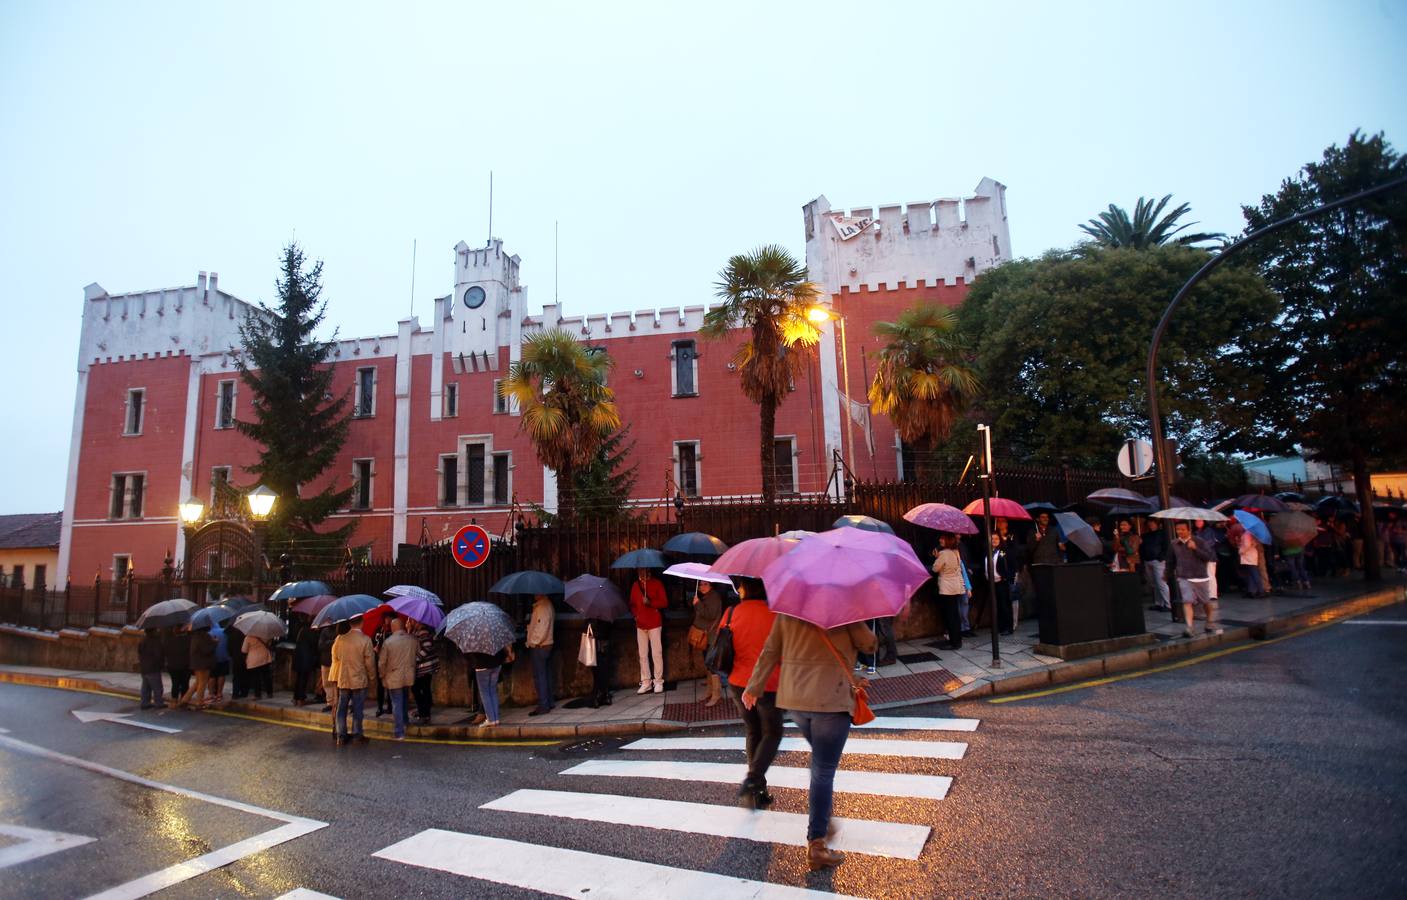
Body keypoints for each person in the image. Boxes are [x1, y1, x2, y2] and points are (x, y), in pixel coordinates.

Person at [742, 613, 876, 871]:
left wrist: (754, 687)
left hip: (796, 701)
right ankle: (817, 842)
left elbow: (770, 651)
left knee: (820, 764)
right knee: (823, 770)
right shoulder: (841, 610)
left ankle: (823, 819)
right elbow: (869, 644)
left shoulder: (789, 611)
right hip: (830, 699)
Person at [726, 577, 781, 810]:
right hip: (769, 683)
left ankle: (757, 788)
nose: (738, 590)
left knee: (753, 731)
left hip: (739, 682)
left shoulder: (731, 613)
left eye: (740, 586)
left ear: (746, 589)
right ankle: (754, 781)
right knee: (772, 732)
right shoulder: (775, 614)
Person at [1170, 521, 1220, 638]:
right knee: (1187, 601)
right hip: (1184, 576)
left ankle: (1209, 621)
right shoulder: (1174, 543)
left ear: (1189, 530)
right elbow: (1171, 560)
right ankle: (1189, 627)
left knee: (1205, 602)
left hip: (1200, 576)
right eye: (1178, 529)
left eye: (1182, 529)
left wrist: (1195, 548)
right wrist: (1167, 573)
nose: (1180, 532)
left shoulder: (1199, 541)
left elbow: (1208, 556)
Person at [331, 617, 375, 745]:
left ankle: (341, 735)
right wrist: (372, 678)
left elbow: (336, 657)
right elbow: (370, 663)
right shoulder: (365, 640)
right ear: (362, 623)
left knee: (342, 708)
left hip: (344, 678)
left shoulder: (340, 639)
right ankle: (357, 734)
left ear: (350, 623)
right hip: (359, 679)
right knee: (358, 708)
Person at [377, 613, 418, 740]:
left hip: (393, 676)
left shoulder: (388, 643)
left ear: (393, 627)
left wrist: (382, 675)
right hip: (409, 675)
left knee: (397, 703)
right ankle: (405, 722)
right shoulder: (412, 639)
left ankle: (399, 731)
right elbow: (417, 655)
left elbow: (382, 662)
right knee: (404, 699)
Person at [629, 567, 667, 694]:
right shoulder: (635, 585)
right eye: (639, 571)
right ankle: (646, 681)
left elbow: (664, 602)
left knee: (657, 653)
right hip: (640, 624)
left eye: (644, 570)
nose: (642, 573)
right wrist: (636, 615)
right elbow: (632, 604)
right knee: (643, 655)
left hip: (654, 623)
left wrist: (650, 602)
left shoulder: (657, 583)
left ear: (649, 570)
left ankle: (658, 681)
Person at [690, 579, 725, 707]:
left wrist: (698, 603)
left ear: (711, 585)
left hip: (711, 636)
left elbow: (710, 614)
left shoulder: (714, 597)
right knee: (708, 663)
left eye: (705, 584)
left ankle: (716, 694)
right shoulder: (706, 597)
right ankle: (710, 691)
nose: (702, 586)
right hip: (706, 636)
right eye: (700, 584)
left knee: (712, 664)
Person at [466, 638, 514, 728]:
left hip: (482, 665)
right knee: (493, 691)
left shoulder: (475, 635)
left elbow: (470, 652)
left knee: (485, 693)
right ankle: (495, 719)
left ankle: (491, 720)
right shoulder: (494, 630)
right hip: (496, 663)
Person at [932, 534, 967, 650]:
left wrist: (936, 557)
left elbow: (935, 568)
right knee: (955, 615)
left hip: (946, 588)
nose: (939, 540)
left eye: (942, 538)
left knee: (950, 616)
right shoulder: (956, 552)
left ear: (947, 540)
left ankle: (954, 642)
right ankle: (957, 640)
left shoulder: (943, 554)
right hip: (956, 586)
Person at [526, 593, 556, 716]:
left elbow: (541, 629)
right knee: (546, 674)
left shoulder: (542, 607)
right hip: (546, 644)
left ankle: (544, 705)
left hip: (541, 646)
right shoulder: (547, 606)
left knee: (540, 676)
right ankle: (549, 701)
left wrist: (532, 642)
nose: (533, 594)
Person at [985, 531, 1015, 635]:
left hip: (1002, 582)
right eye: (992, 539)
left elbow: (1011, 564)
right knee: (996, 606)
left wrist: (1008, 577)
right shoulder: (988, 551)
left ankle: (1008, 627)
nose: (994, 541)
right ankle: (1000, 627)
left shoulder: (1003, 551)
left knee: (1004, 605)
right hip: (992, 583)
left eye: (996, 539)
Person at [179, 624, 216, 708]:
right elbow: (206, 650)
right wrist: (214, 643)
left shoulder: (195, 636)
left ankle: (185, 699)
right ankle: (199, 702)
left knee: (198, 682)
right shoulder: (205, 636)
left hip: (196, 662)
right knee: (202, 683)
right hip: (203, 663)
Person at [410, 621, 438, 724]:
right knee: (422, 689)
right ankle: (423, 711)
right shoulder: (418, 632)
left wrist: (416, 658)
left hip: (424, 668)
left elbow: (427, 646)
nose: (411, 621)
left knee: (419, 689)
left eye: (413, 620)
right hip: (424, 667)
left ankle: (424, 714)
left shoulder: (423, 633)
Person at [1141, 518, 1171, 611]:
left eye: (1153, 523)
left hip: (1158, 560)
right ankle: (1159, 603)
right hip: (1148, 560)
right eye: (1149, 523)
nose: (1151, 525)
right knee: (1154, 583)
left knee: (1161, 583)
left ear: (1157, 524)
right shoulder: (1145, 535)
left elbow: (1166, 546)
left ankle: (1167, 604)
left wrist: (1161, 557)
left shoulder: (1162, 534)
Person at [292, 614, 320, 707]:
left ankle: (296, 698)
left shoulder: (301, 628)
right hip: (306, 659)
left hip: (299, 658)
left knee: (299, 678)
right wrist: (317, 633)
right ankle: (300, 699)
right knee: (303, 679)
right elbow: (315, 644)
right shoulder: (311, 631)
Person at [587, 617, 614, 708]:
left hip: (599, 649)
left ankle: (598, 697)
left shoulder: (593, 619)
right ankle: (603, 695)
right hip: (599, 649)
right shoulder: (603, 617)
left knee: (600, 674)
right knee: (600, 673)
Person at [163, 624, 191, 707]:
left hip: (172, 665)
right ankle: (183, 701)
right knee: (185, 683)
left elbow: (165, 652)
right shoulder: (188, 640)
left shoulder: (168, 640)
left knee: (175, 683)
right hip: (185, 665)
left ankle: (174, 701)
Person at [138, 627, 165, 710]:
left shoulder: (142, 640)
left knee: (145, 687)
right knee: (157, 687)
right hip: (153, 667)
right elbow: (159, 655)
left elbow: (139, 652)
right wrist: (161, 664)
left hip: (144, 667)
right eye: (156, 630)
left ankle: (144, 702)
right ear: (153, 631)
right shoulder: (155, 641)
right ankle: (158, 703)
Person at [243, 631, 274, 699]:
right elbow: (269, 644)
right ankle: (270, 693)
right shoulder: (265, 635)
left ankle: (258, 695)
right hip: (265, 658)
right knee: (266, 676)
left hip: (254, 660)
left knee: (256, 678)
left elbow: (244, 650)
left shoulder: (248, 637)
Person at [1237, 524, 1265, 598]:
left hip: (1248, 555)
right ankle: (1252, 590)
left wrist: (1240, 551)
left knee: (1253, 573)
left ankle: (1260, 590)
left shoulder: (1247, 534)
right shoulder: (1253, 533)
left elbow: (1247, 545)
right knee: (1252, 573)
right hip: (1252, 554)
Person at [207, 621, 229, 705]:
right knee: (221, 675)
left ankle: (211, 694)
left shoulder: (208, 633)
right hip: (224, 656)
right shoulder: (224, 632)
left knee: (212, 676)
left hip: (213, 658)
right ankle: (219, 693)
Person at [318, 623, 338, 713]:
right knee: (326, 683)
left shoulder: (339, 631)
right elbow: (320, 645)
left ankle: (335, 702)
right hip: (325, 661)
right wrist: (332, 642)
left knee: (335, 684)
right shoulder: (324, 631)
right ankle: (330, 703)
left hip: (334, 662)